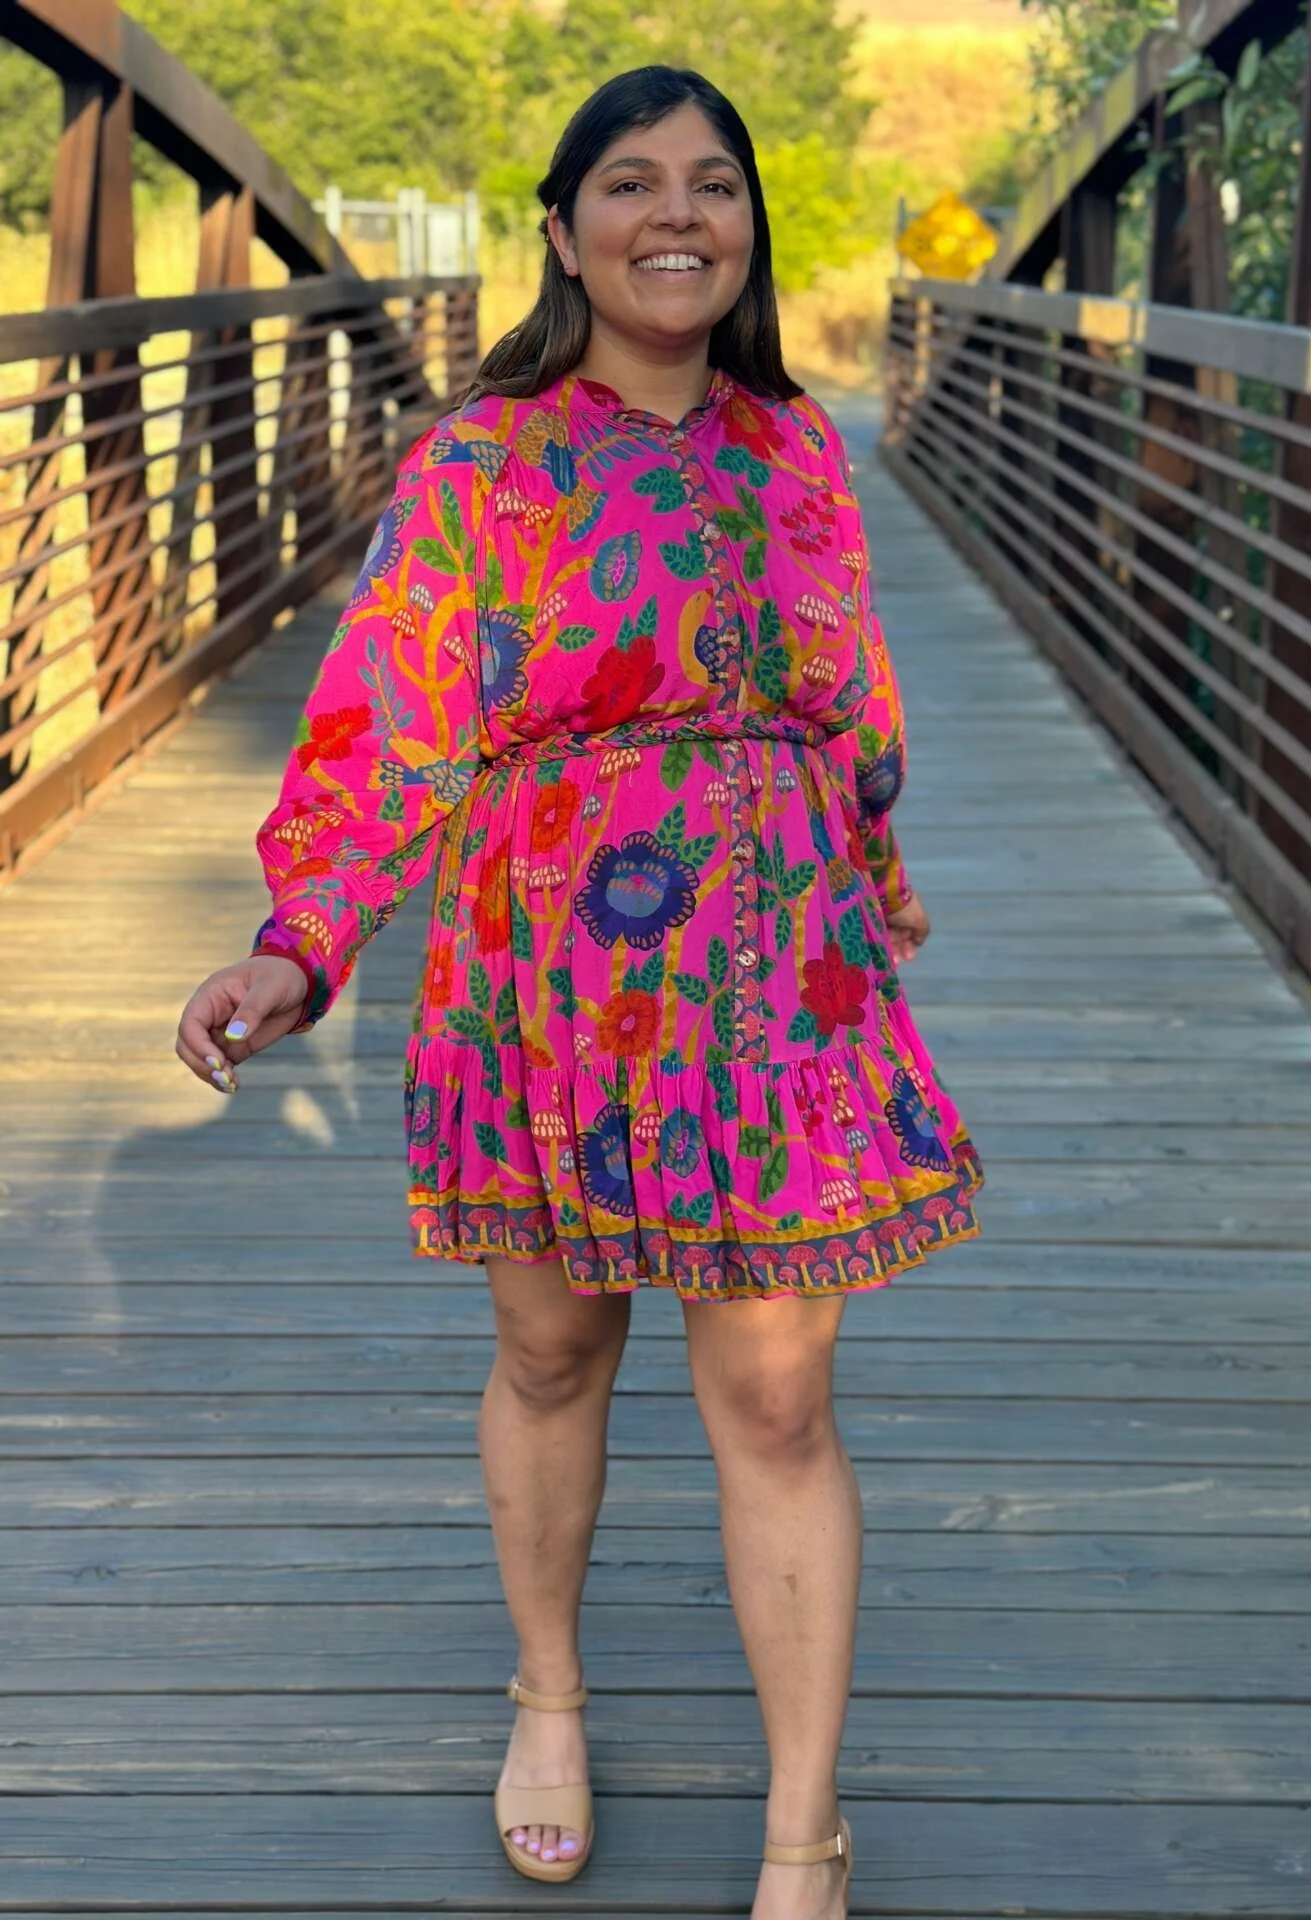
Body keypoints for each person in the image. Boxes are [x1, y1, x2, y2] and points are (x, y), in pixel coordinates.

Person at [175, 64, 983, 1919]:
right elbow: (389, 717)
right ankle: (548, 1693)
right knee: (552, 1354)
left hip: (778, 980)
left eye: (713, 182)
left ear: (749, 225)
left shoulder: (800, 449)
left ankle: (803, 1836)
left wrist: (875, 869)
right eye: (631, 181)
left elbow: (850, 693)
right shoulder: (482, 462)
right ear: (564, 228)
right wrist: (304, 939)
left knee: (775, 1398)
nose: (675, 214)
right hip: (544, 972)